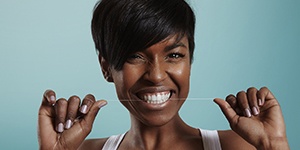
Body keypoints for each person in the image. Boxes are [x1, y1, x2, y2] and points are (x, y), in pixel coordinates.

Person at [38, 0, 290, 149]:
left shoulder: (238, 147)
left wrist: (275, 145)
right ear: (106, 67)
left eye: (174, 55)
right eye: (134, 56)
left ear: (190, 60)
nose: (156, 75)